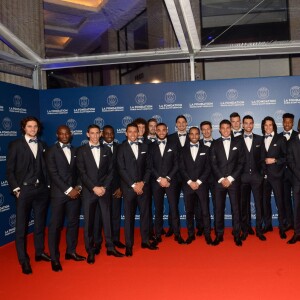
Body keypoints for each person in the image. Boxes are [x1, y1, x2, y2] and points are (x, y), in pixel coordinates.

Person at [6, 116, 51, 275]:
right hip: (24, 190)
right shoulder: (16, 145)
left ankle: (39, 252)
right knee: (21, 227)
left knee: (40, 224)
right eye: (30, 126)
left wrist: (48, 187)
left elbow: (46, 168)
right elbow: (10, 170)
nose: (33, 129)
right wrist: (16, 189)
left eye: (35, 126)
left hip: (41, 191)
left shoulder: (43, 144)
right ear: (24, 128)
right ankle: (23, 260)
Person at [77, 124, 124, 264]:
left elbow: (111, 171)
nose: (95, 135)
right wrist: (93, 187)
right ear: (87, 134)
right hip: (89, 192)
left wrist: (104, 187)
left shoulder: (106, 150)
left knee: (107, 220)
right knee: (89, 223)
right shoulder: (81, 151)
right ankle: (90, 250)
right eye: (92, 133)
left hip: (104, 190)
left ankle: (110, 247)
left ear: (101, 134)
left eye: (98, 133)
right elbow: (82, 172)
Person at [46, 125, 86, 272]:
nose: (64, 136)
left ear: (70, 134)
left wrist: (79, 188)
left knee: (73, 224)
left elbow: (81, 172)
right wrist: (69, 190)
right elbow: (53, 174)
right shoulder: (51, 151)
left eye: (66, 133)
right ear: (57, 135)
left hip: (75, 194)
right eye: (61, 134)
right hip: (59, 195)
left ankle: (71, 251)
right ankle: (55, 258)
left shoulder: (76, 151)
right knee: (55, 226)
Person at [117, 123, 158, 257]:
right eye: (130, 132)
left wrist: (142, 183)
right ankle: (129, 245)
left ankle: (145, 241)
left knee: (145, 216)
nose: (133, 134)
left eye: (135, 131)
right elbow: (121, 169)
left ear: (139, 132)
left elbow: (149, 168)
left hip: (143, 188)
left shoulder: (144, 147)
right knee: (129, 218)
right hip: (129, 189)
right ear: (126, 133)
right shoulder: (121, 148)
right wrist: (133, 185)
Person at [149, 122, 185, 244]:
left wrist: (168, 178)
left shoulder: (174, 145)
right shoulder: (151, 146)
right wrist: (160, 179)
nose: (161, 132)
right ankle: (158, 235)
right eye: (158, 130)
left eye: (163, 130)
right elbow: (150, 166)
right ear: (155, 131)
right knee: (158, 209)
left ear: (167, 130)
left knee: (174, 208)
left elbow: (177, 164)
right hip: (156, 182)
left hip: (171, 182)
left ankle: (177, 234)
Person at [210, 119, 244, 246]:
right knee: (218, 209)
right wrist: (221, 179)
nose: (225, 130)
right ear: (219, 129)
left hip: (234, 182)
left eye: (227, 128)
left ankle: (237, 235)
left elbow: (241, 163)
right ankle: (219, 235)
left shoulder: (238, 143)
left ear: (231, 129)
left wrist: (230, 178)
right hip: (218, 183)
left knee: (236, 209)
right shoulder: (215, 144)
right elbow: (213, 164)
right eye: (222, 128)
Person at [180, 127, 212, 245]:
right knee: (189, 211)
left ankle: (207, 235)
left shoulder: (206, 149)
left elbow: (208, 168)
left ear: (200, 135)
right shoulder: (182, 150)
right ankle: (190, 234)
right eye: (192, 134)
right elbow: (181, 168)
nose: (194, 136)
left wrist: (198, 182)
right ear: (189, 136)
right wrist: (190, 182)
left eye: (196, 134)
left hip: (202, 185)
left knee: (205, 211)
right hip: (188, 185)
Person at [240, 115, 266, 241]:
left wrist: (261, 175)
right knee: (243, 205)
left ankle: (259, 230)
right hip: (242, 178)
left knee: (258, 204)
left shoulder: (260, 139)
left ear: (253, 124)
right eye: (246, 123)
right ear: (242, 125)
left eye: (251, 123)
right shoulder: (237, 139)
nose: (248, 125)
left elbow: (262, 159)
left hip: (257, 178)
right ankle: (245, 230)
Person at [261, 116, 287, 239]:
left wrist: (275, 160)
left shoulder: (281, 139)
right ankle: (268, 225)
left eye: (270, 125)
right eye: (265, 125)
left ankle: (282, 227)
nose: (268, 127)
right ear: (263, 127)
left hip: (277, 177)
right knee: (265, 202)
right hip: (264, 177)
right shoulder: (260, 140)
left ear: (274, 126)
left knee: (280, 202)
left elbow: (286, 158)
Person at [101, 125, 125, 249]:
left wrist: (121, 187)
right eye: (106, 133)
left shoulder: (119, 147)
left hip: (116, 187)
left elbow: (122, 169)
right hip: (101, 188)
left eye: (111, 133)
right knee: (101, 216)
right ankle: (100, 241)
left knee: (115, 215)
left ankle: (115, 239)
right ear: (102, 134)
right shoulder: (97, 147)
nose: (109, 136)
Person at [166, 115, 190, 237]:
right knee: (172, 203)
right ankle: (172, 227)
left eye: (183, 122)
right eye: (179, 122)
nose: (181, 124)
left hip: (189, 177)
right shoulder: (169, 138)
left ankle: (198, 226)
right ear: (176, 125)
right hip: (173, 176)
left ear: (186, 124)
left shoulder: (193, 137)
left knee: (192, 202)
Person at [279, 113, 298, 232]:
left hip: (296, 174)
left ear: (293, 123)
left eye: (289, 122)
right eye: (285, 122)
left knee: (297, 201)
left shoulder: (298, 136)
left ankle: (298, 224)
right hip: (283, 174)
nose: (287, 124)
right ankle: (289, 222)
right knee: (286, 199)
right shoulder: (278, 136)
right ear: (282, 122)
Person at [198, 121, 215, 233]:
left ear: (212, 129)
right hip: (201, 180)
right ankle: (201, 227)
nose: (206, 131)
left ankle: (217, 226)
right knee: (200, 205)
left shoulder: (218, 143)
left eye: (208, 129)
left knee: (217, 204)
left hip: (216, 179)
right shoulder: (196, 143)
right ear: (201, 131)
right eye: (203, 129)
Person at [287, 118, 300, 244]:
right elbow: (290, 162)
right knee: (297, 208)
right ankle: (297, 233)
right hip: (297, 181)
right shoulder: (291, 142)